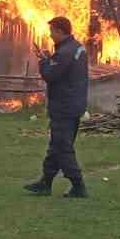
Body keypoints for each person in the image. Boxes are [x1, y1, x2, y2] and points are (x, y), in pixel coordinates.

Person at [23, 16, 90, 199]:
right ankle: (45, 182)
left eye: (52, 31)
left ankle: (78, 185)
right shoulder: (76, 48)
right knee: (56, 147)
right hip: (73, 104)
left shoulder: (65, 53)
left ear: (60, 31)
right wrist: (50, 59)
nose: (50, 35)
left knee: (62, 147)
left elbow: (51, 75)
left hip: (64, 106)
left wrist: (44, 62)